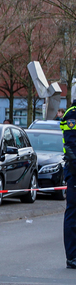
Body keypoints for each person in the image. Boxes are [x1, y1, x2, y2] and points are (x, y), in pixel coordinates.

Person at [63, 103, 76, 269]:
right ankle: (72, 256)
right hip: (75, 173)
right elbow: (71, 145)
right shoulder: (72, 114)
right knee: (73, 214)